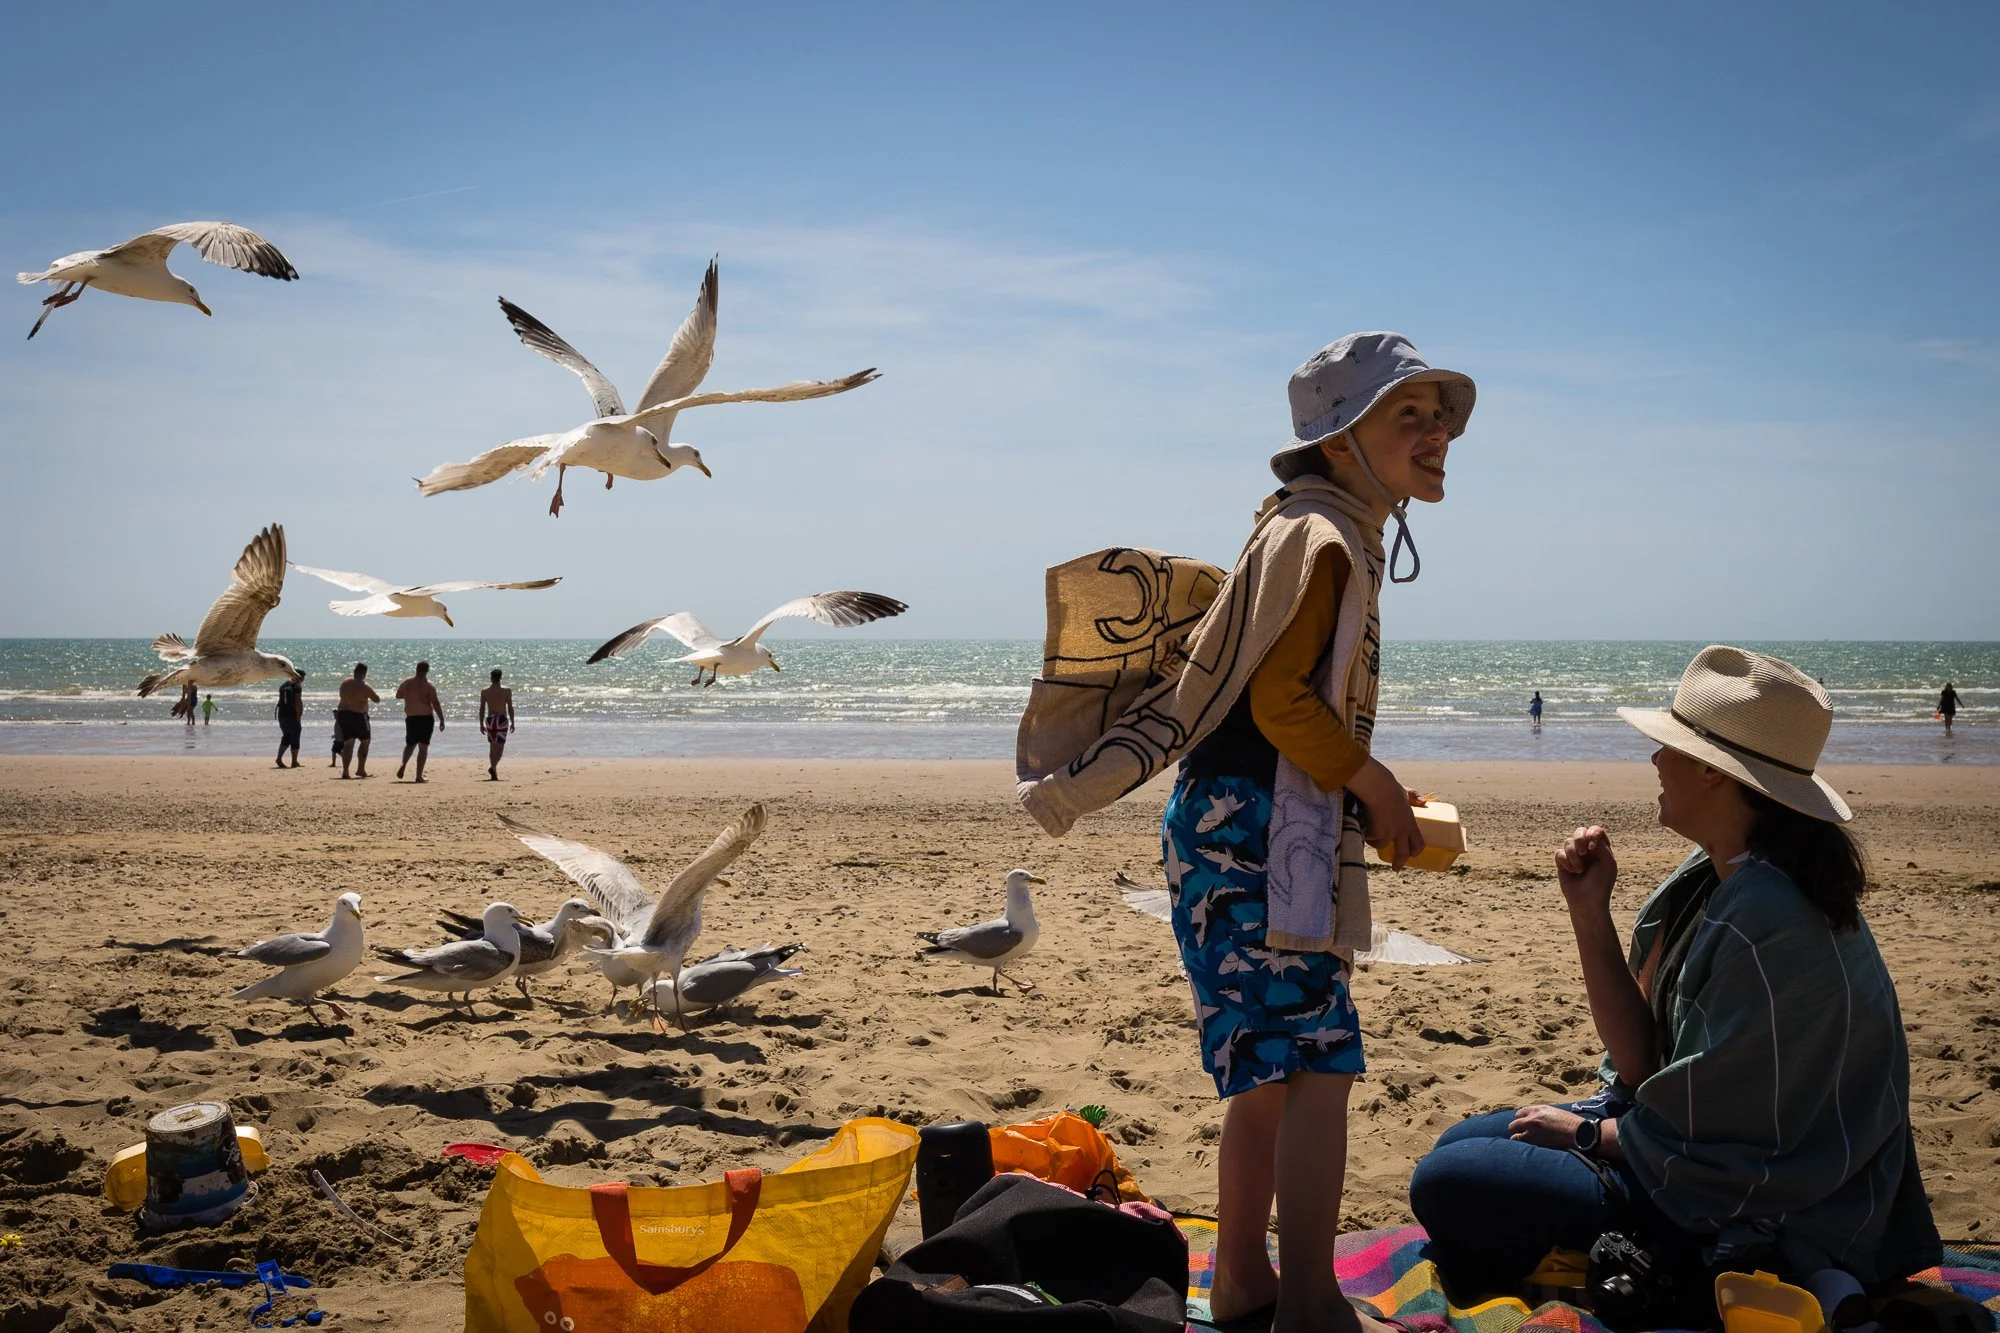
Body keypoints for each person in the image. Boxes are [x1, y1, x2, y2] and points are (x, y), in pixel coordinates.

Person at [1017, 333, 1473, 1333]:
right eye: (1410, 413)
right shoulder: (1319, 538)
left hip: (1232, 823)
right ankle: (1307, 1296)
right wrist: (1375, 783)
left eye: (1440, 413)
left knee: (1267, 1070)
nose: (1437, 430)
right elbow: (1280, 705)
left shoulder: (1305, 526)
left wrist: (1359, 794)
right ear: (1343, 436)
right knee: (1317, 1064)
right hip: (1257, 832)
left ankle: (1241, 1283)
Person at [1409, 646, 1939, 1307]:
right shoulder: (1718, 875)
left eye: (1670, 745)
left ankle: (1694, 1271)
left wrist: (1585, 1134)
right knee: (1457, 1148)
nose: (1656, 759)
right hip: (1677, 1146)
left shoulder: (1766, 917)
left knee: (1443, 1181)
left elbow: (1722, 1148)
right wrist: (1588, 909)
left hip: (1752, 1203)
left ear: (1715, 773)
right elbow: (1639, 1065)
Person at [394, 660, 445, 783]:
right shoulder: (429, 685)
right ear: (427, 671)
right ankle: (418, 776)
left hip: (411, 717)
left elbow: (398, 695)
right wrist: (442, 719)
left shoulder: (407, 682)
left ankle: (403, 764)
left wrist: (410, 697)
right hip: (425, 718)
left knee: (410, 744)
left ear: (416, 669)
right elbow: (435, 703)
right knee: (423, 747)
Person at [335, 663, 380, 779]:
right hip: (358, 716)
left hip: (343, 715)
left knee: (348, 743)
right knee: (365, 741)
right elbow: (376, 699)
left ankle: (345, 772)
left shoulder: (345, 683)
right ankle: (360, 769)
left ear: (354, 671)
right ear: (364, 673)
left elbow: (341, 695)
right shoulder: (364, 686)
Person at [480, 668, 515, 781]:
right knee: (500, 747)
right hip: (501, 720)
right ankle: (493, 766)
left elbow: (482, 708)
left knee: (492, 746)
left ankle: (494, 770)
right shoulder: (506, 690)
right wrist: (513, 722)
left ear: (491, 677)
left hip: (490, 719)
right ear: (500, 677)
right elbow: (509, 707)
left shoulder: (485, 691)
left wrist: (481, 723)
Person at [275, 671, 306, 768]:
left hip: (281, 715)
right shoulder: (297, 686)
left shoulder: (283, 685)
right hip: (292, 716)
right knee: (295, 737)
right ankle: (294, 761)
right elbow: (297, 702)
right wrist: (298, 716)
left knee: (286, 736)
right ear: (300, 677)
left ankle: (279, 758)